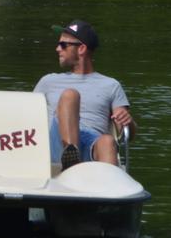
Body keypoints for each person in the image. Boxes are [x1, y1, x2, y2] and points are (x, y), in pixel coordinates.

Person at [34, 20, 136, 171]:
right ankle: (72, 163)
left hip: (92, 143)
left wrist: (129, 122)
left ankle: (110, 190)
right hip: (56, 143)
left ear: (81, 49)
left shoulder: (111, 85)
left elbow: (125, 132)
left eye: (63, 45)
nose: (57, 49)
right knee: (70, 95)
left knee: (107, 141)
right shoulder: (48, 81)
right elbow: (28, 119)